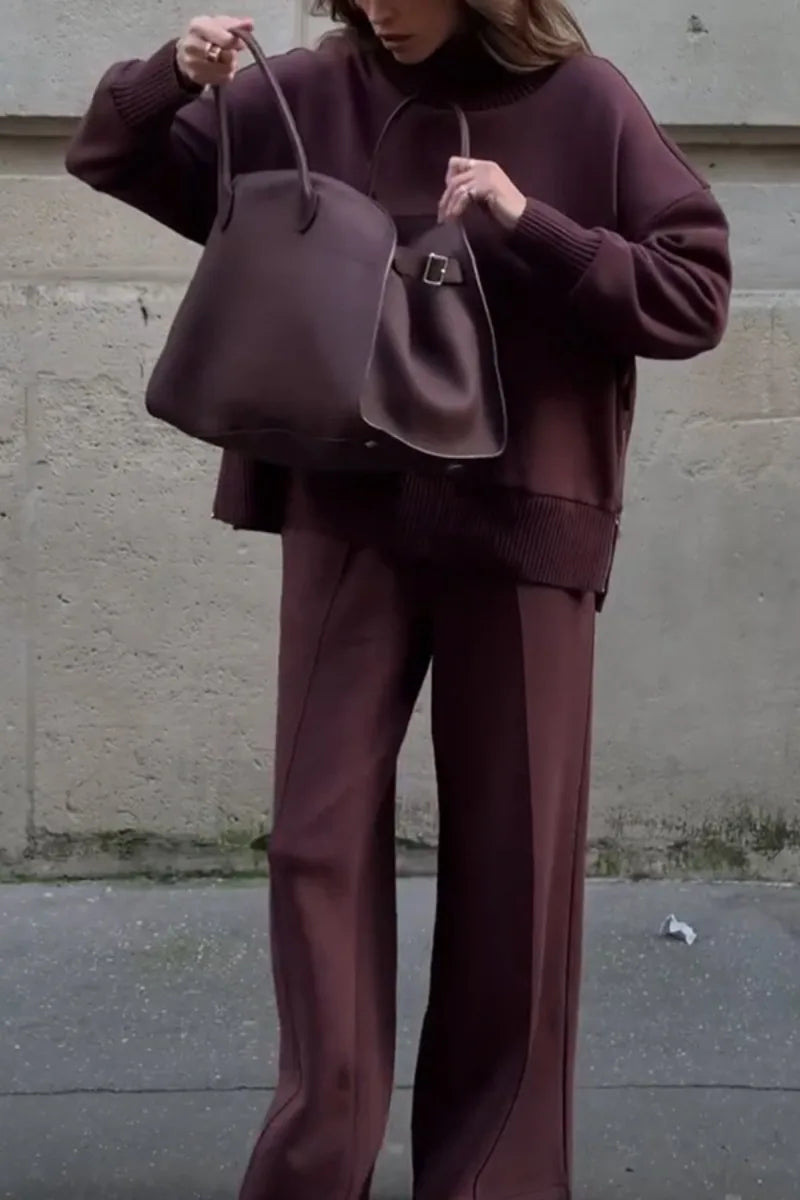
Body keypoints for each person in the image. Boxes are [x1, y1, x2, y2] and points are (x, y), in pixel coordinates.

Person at [66, 2, 731, 1197]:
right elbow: (115, 153)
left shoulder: (585, 104)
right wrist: (173, 74)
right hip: (347, 516)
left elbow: (692, 295)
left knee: (514, 875)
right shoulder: (308, 93)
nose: (378, 6)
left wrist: (532, 225)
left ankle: (493, 1181)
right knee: (313, 845)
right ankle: (316, 1165)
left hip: (523, 523)